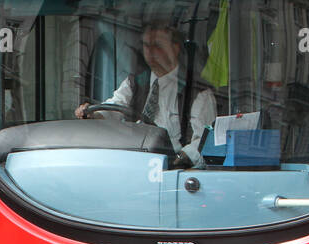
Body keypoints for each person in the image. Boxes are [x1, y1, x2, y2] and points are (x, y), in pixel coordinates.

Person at [76, 22, 216, 167]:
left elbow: (203, 141)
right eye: (146, 46)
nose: (150, 52)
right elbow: (114, 108)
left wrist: (178, 160)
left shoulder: (197, 92)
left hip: (171, 170)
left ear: (175, 48)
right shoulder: (135, 82)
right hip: (133, 163)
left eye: (157, 46)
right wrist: (93, 113)